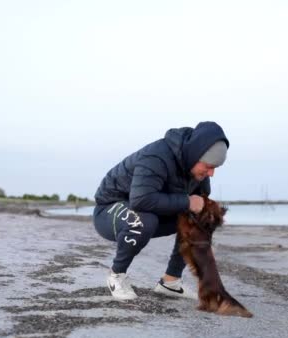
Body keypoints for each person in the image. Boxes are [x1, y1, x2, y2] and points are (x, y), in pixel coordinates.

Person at [93, 121, 229, 301]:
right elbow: (141, 200)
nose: (211, 173)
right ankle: (116, 275)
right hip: (109, 210)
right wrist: (187, 201)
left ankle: (170, 282)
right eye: (208, 166)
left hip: (147, 210)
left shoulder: (196, 169)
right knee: (143, 220)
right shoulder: (156, 156)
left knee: (202, 217)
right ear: (195, 154)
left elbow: (198, 203)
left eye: (215, 168)